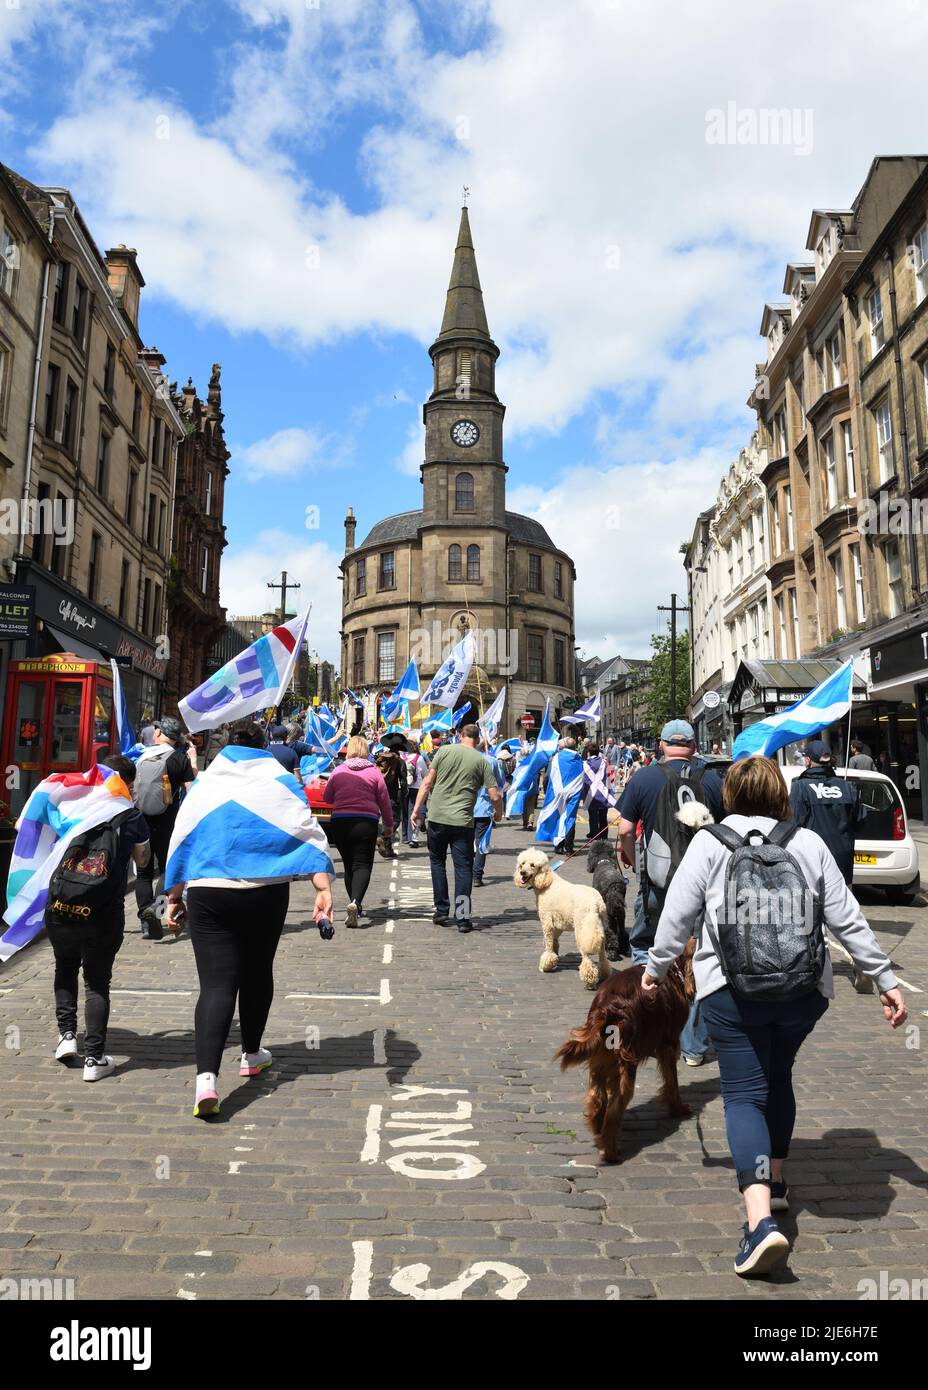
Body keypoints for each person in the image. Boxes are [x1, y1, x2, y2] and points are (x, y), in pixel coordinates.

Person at [642, 755, 906, 1277]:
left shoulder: (710, 842)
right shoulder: (805, 842)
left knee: (744, 1093)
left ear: (731, 795)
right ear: (780, 795)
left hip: (729, 992)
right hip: (801, 992)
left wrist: (655, 968)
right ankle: (776, 1182)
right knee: (778, 1077)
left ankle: (760, 1222)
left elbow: (677, 915)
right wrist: (886, 979)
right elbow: (846, 916)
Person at [165, 723, 334, 1117]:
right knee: (257, 971)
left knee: (216, 984)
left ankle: (206, 1080)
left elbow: (182, 835)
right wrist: (322, 887)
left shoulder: (205, 783)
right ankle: (251, 1054)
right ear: (264, 748)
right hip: (265, 889)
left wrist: (174, 895)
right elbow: (304, 829)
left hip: (209, 890)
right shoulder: (278, 779)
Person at [618, 718, 725, 1065]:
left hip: (659, 882)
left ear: (661, 745)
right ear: (693, 746)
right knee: (698, 958)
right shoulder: (712, 779)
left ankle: (649, 1024)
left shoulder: (644, 777)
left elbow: (623, 829)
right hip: (703, 885)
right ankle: (692, 1047)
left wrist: (633, 862)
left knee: (645, 946)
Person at [48, 755, 151, 1082]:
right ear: (127, 784)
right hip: (102, 912)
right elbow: (142, 859)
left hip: (61, 906)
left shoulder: (74, 806)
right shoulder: (131, 816)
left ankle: (66, 1037)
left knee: (65, 967)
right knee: (96, 980)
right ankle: (94, 1058)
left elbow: (34, 831)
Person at [410, 723, 503, 932]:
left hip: (437, 818)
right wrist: (498, 814)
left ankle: (442, 910)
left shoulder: (443, 751)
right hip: (462, 822)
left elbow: (426, 783)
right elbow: (494, 794)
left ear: (460, 736)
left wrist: (416, 811)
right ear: (478, 740)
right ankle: (462, 918)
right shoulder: (482, 761)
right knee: (463, 869)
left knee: (437, 862)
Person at [133, 717, 198, 938]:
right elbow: (192, 792)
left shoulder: (142, 757)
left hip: (141, 821)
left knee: (143, 873)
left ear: (160, 733)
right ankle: (158, 910)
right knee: (168, 869)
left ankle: (145, 922)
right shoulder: (179, 759)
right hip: (168, 823)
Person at [324, 735, 393, 926]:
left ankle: (354, 904)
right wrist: (389, 825)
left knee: (348, 865)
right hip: (365, 822)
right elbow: (384, 801)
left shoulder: (338, 771)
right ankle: (356, 902)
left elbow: (327, 797)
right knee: (362, 865)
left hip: (340, 822)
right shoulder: (374, 772)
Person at [473, 748, 506, 887]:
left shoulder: (463, 758)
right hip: (483, 808)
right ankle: (477, 875)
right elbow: (499, 783)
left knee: (464, 844)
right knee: (481, 845)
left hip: (464, 808)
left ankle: (467, 873)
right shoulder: (492, 761)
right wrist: (499, 812)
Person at [583, 743, 612, 842]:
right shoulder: (605, 762)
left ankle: (594, 835)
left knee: (592, 816)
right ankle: (604, 836)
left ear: (589, 752)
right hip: (603, 792)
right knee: (603, 816)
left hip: (590, 793)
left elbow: (583, 780)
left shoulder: (585, 763)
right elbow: (609, 777)